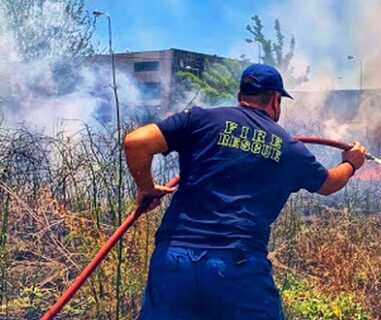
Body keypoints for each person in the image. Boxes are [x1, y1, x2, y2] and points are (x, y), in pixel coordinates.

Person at [124, 63, 367, 319]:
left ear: (241, 96)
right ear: (275, 99)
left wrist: (147, 188)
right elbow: (329, 184)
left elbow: (136, 142)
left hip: (174, 260)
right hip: (237, 268)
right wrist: (352, 163)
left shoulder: (200, 119)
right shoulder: (287, 146)